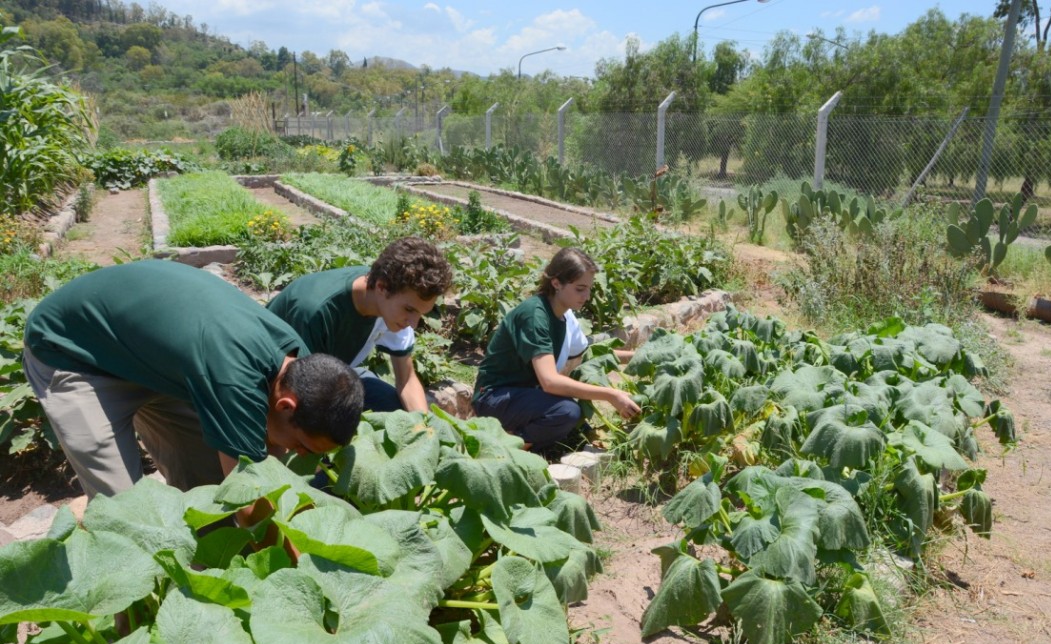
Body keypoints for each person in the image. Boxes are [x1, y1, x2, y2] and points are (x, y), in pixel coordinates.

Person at [22, 259, 364, 499]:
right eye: (303, 446)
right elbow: (246, 501)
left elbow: (260, 465)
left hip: (155, 354)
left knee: (208, 482)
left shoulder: (300, 363)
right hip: (74, 352)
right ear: (286, 404)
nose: (301, 455)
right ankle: (134, 603)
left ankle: (207, 573)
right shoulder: (235, 381)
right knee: (124, 509)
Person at [473, 247, 641, 454]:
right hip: (493, 397)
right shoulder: (535, 315)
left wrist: (638, 357)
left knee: (568, 418)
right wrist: (610, 395)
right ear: (556, 283)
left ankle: (518, 439)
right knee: (566, 412)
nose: (587, 296)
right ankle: (505, 449)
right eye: (580, 289)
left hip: (524, 395)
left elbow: (586, 355)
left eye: (589, 288)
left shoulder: (564, 315)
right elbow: (550, 381)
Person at [266, 237, 452, 413]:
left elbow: (407, 380)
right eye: (410, 310)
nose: (413, 323)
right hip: (275, 385)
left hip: (328, 377)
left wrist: (425, 429)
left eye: (421, 313)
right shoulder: (316, 311)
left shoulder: (391, 302)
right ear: (381, 287)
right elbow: (293, 393)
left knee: (394, 407)